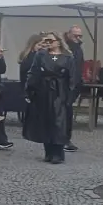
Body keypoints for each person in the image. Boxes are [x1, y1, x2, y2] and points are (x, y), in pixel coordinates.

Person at [23, 32, 75, 163]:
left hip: (60, 92)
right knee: (45, 121)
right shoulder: (40, 55)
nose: (47, 43)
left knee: (59, 122)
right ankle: (48, 152)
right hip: (43, 92)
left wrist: (70, 97)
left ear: (58, 42)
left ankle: (58, 153)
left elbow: (73, 78)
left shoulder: (68, 57)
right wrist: (29, 90)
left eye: (50, 40)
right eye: (46, 40)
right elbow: (33, 73)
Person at [62, 25, 86, 152]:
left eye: (80, 35)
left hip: (74, 85)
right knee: (64, 113)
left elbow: (79, 66)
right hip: (64, 85)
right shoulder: (65, 48)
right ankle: (63, 140)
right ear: (69, 34)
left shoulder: (78, 48)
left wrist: (79, 81)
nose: (78, 37)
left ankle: (66, 139)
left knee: (68, 112)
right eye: (75, 35)